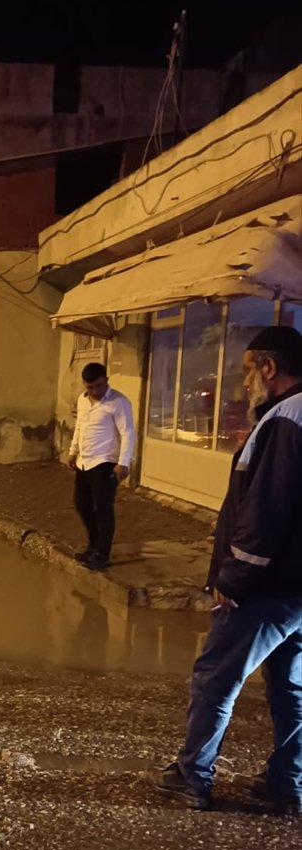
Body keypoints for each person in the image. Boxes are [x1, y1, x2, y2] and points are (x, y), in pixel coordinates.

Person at [155, 325, 302, 815]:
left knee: (216, 677)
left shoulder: (286, 419)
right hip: (295, 590)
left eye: (246, 370)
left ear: (269, 368)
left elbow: (267, 511)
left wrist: (233, 578)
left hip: (269, 587)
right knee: (291, 684)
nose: (242, 383)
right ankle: (288, 781)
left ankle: (191, 777)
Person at [68, 362, 136, 570]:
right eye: (90, 387)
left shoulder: (119, 402)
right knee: (82, 504)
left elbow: (128, 433)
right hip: (85, 462)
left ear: (106, 380)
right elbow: (80, 426)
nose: (94, 391)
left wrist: (123, 463)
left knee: (103, 508)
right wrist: (73, 450)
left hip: (105, 462)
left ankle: (102, 553)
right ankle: (93, 545)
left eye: (98, 386)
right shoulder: (82, 400)